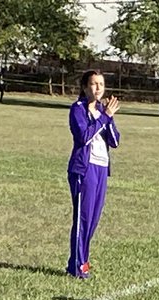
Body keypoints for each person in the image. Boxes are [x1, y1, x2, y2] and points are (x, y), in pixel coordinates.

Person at [66, 70, 120, 279]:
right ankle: (78, 266)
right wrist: (104, 118)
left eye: (101, 84)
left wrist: (109, 118)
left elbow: (115, 141)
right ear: (84, 87)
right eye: (94, 84)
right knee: (83, 218)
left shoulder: (102, 111)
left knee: (93, 219)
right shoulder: (77, 109)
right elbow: (84, 137)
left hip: (101, 168)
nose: (98, 88)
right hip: (84, 169)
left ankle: (81, 263)